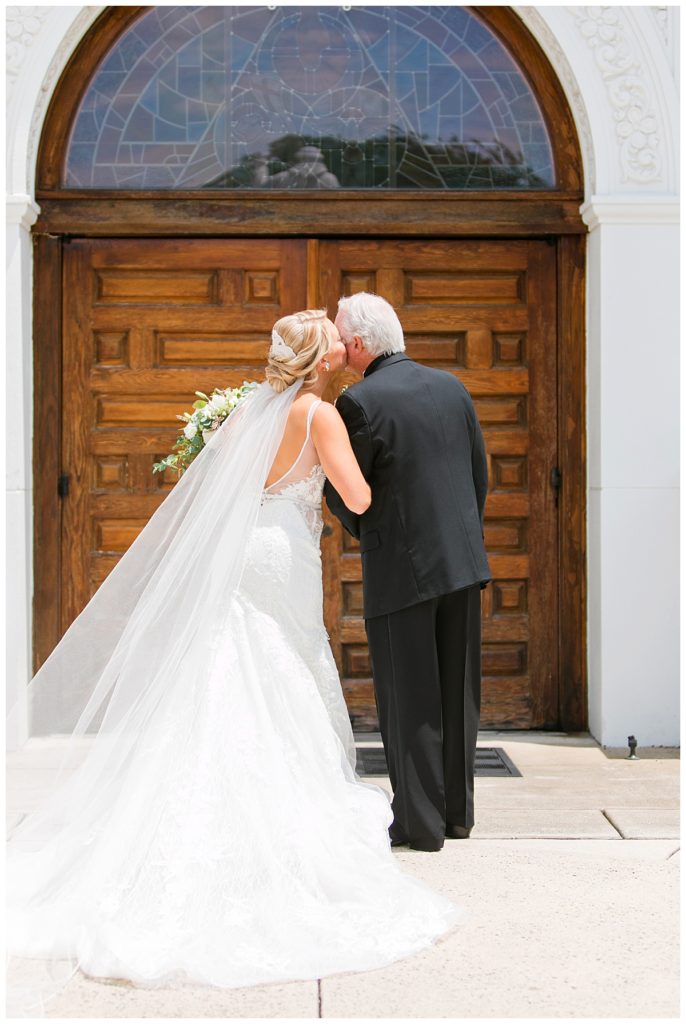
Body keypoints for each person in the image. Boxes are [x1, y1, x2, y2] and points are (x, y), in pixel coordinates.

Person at [6, 309, 464, 1016]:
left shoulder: (246, 412)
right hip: (284, 554)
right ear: (318, 362)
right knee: (287, 660)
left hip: (244, 550)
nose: (344, 349)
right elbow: (361, 495)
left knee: (232, 658)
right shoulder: (319, 416)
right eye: (334, 344)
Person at [324, 293, 491, 854]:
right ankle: (457, 817)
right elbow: (478, 477)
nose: (341, 347)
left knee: (410, 699)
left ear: (361, 343)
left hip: (403, 570)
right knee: (457, 694)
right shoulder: (453, 388)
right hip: (464, 565)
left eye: (344, 337)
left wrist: (359, 526)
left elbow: (353, 497)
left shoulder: (358, 403)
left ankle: (419, 826)